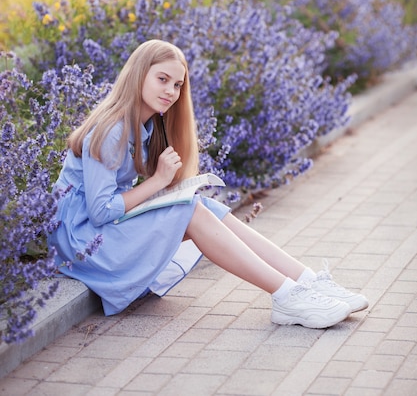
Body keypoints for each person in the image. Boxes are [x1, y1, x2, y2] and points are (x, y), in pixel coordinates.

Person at [50, 39, 368, 329]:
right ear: (138, 75)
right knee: (193, 212)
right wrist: (159, 181)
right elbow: (100, 211)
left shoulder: (143, 128)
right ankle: (286, 295)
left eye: (177, 84)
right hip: (83, 242)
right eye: (162, 79)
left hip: (99, 231)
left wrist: (166, 188)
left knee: (205, 206)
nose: (171, 92)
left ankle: (307, 281)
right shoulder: (112, 130)